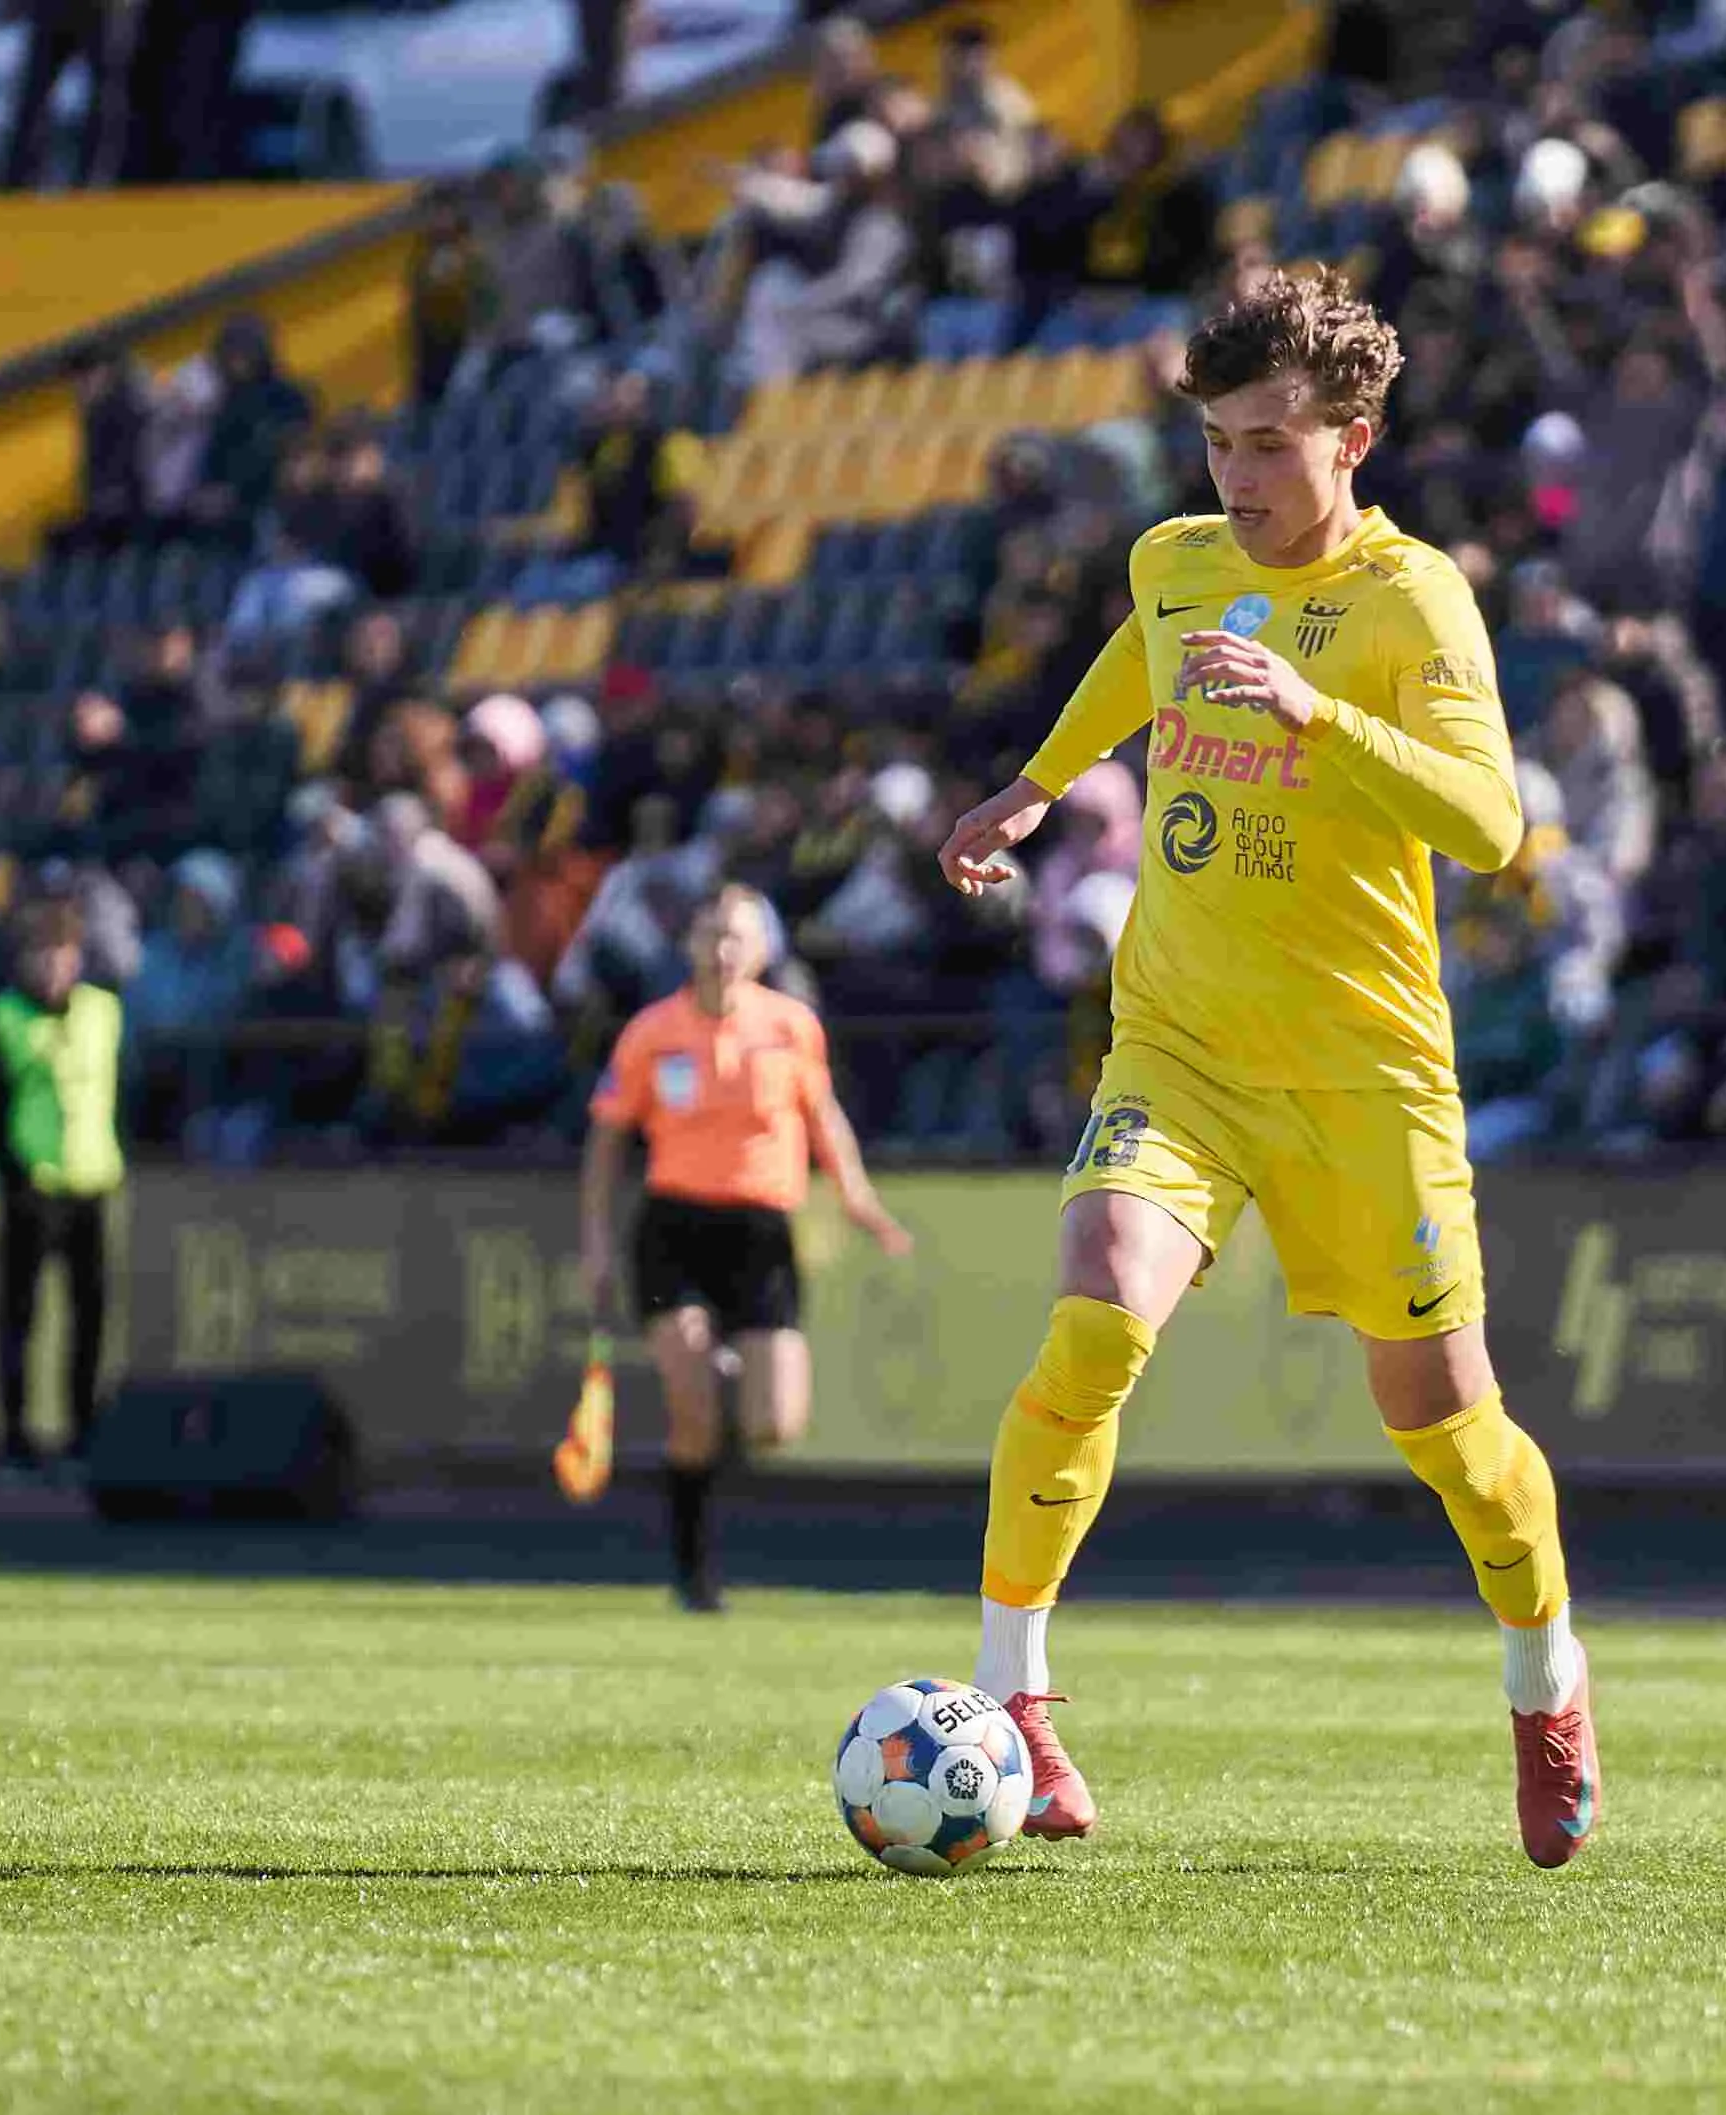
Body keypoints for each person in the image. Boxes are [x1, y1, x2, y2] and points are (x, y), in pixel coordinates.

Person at [932, 267, 1600, 1868]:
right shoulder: (1178, 561)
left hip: (1366, 1071)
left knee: (1449, 1430)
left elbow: (1490, 824)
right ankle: (1013, 1694)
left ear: (1352, 440)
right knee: (1097, 1311)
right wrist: (1038, 781)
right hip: (1180, 1042)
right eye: (1219, 441)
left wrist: (1315, 714)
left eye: (1269, 444)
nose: (1236, 474)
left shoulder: (1411, 601)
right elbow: (1143, 650)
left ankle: (1546, 1682)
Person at [580, 885, 911, 1613]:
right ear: (690, 945)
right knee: (691, 1414)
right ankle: (692, 1574)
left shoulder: (791, 1027)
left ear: (762, 951)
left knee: (773, 1423)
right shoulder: (651, 1032)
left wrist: (856, 1196)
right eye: (711, 934)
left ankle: (725, 1371)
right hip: (675, 1228)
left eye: (737, 937)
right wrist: (596, 1240)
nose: (723, 950)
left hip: (761, 1234)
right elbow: (606, 1140)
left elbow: (822, 1116)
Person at [0, 905, 125, 1487]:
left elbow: (123, 1088)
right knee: (20, 1319)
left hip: (91, 1183)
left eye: (63, 958)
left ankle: (83, 1434)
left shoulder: (104, 1012)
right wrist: (12, 1175)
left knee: (89, 1319)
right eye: (44, 959)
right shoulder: (1, 1017)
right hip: (31, 1190)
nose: (55, 970)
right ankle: (16, 1442)